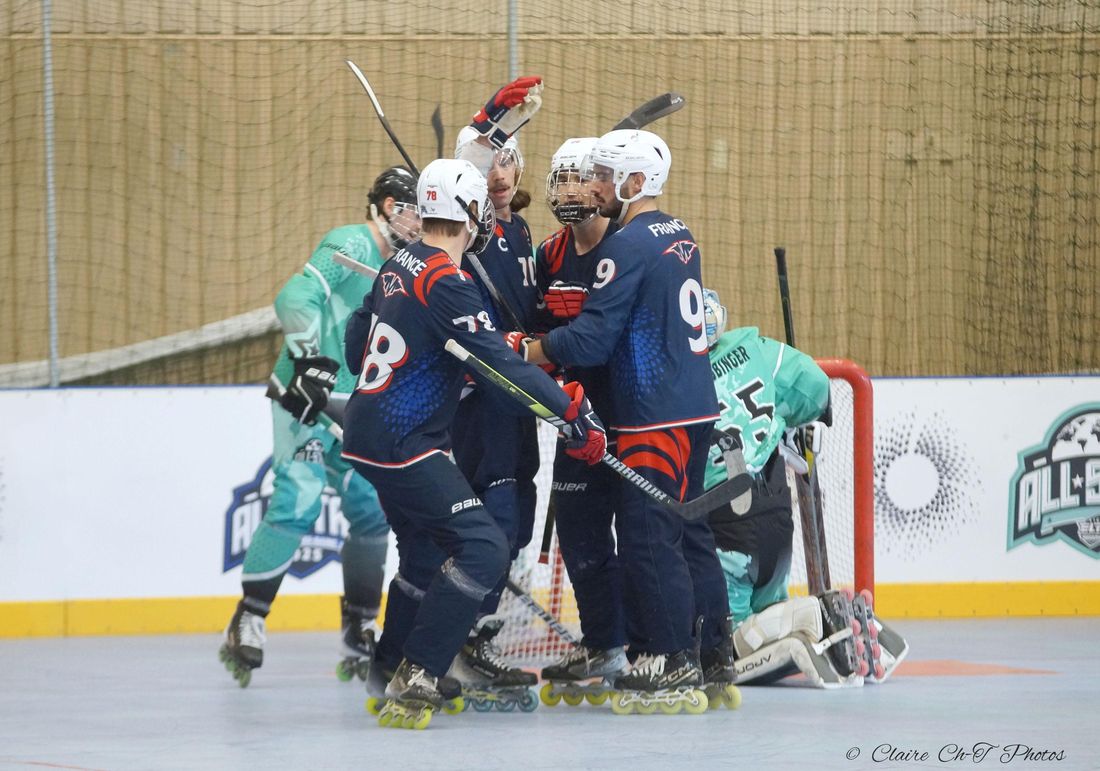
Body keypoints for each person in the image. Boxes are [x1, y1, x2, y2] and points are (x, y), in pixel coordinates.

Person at [340, 157, 607, 729]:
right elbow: (501, 370)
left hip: (366, 431)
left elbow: (357, 340)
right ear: (469, 212)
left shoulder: (400, 263)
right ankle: (419, 673)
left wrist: (443, 352)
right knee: (483, 546)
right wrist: (570, 413)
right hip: (404, 441)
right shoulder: (448, 282)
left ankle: (386, 667)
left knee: (424, 550)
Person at [525, 129, 727, 714]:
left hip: (652, 416)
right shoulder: (679, 233)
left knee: (646, 537)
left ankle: (670, 658)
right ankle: (714, 653)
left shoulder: (627, 246)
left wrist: (527, 350)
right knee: (686, 532)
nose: (593, 187)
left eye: (603, 177)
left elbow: (591, 340)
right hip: (696, 407)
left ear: (636, 182)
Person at [219, 167, 420, 688]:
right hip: (303, 396)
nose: (419, 222)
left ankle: (359, 629)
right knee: (299, 499)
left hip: (353, 407)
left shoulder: (407, 264)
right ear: (386, 207)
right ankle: (249, 618)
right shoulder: (350, 242)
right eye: (411, 210)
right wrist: (310, 361)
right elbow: (294, 298)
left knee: (371, 512)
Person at [700, 288, 908, 688]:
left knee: (723, 649)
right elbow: (816, 388)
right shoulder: (756, 349)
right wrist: (787, 419)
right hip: (775, 515)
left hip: (723, 525)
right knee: (764, 618)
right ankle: (828, 623)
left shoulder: (672, 375)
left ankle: (813, 614)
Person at [447, 79, 549, 705]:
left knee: (518, 517)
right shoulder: (474, 233)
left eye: (509, 160)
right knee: (497, 514)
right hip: (479, 393)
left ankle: (472, 635)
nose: (500, 173)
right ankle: (461, 637)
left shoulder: (524, 233)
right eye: (492, 162)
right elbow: (467, 167)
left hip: (518, 395)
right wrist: (488, 121)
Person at [532, 137, 632, 705]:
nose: (571, 190)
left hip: (632, 415)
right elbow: (536, 328)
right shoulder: (548, 256)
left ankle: (655, 645)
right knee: (582, 536)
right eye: (562, 178)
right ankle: (604, 644)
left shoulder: (628, 246)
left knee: (642, 536)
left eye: (580, 178)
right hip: (575, 418)